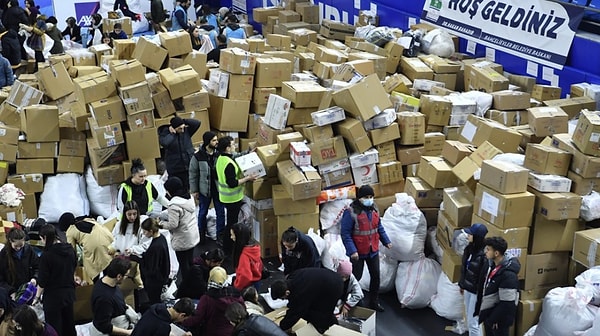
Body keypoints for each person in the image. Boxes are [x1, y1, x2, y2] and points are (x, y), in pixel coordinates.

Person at [340, 184, 392, 312]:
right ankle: (349, 301)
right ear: (359, 198)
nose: (369, 199)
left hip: (373, 250)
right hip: (358, 252)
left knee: (376, 277)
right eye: (366, 197)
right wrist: (352, 251)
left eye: (371, 197)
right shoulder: (351, 212)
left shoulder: (374, 209)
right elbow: (345, 234)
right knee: (355, 278)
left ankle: (374, 302)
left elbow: (378, 227)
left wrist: (386, 241)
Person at [215, 136, 257, 254]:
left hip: (225, 197)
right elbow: (232, 183)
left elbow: (236, 157)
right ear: (227, 148)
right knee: (232, 224)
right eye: (233, 145)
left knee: (231, 222)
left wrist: (248, 154)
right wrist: (248, 178)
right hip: (232, 198)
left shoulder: (221, 158)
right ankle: (228, 248)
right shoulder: (228, 164)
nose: (235, 147)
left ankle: (228, 246)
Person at [270, 268, 344, 334]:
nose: (283, 300)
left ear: (287, 292)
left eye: (283, 298)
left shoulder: (300, 292)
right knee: (313, 309)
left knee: (320, 313)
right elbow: (294, 302)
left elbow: (296, 312)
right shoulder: (291, 278)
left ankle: (326, 330)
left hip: (333, 286)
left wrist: (282, 327)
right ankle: (333, 324)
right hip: (328, 278)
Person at [36, 224, 77, 336]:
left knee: (55, 328)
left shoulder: (47, 255)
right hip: (69, 293)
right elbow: (74, 267)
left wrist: (37, 297)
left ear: (44, 237)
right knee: (69, 324)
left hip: (53, 297)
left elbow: (42, 280)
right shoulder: (69, 249)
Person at [159, 176, 200, 288]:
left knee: (183, 264)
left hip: (182, 238)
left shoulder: (174, 205)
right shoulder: (189, 198)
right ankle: (195, 281)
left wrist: (160, 224)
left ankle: (187, 285)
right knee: (190, 261)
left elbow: (173, 224)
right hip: (192, 235)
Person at [475, 237, 520, 336]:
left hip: (498, 320)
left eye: (488, 249)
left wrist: (492, 320)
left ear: (496, 253)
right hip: (489, 315)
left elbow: (507, 303)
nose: (485, 252)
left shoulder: (508, 275)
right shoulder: (491, 265)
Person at [181, 266, 244, 336]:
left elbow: (197, 318)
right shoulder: (237, 295)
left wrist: (181, 321)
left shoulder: (207, 298)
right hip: (233, 333)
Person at [189, 131, 225, 244]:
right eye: (214, 140)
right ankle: (201, 234)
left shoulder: (218, 154)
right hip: (204, 190)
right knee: (202, 212)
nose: (216, 142)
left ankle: (220, 235)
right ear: (207, 142)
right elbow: (193, 174)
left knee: (221, 212)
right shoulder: (198, 156)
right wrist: (194, 190)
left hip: (218, 188)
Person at [127, 218, 170, 306]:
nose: (143, 233)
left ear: (151, 231)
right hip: (161, 277)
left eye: (145, 231)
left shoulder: (155, 247)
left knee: (154, 300)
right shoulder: (161, 238)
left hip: (154, 281)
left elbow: (149, 266)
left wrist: (133, 257)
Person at [61, 213, 114, 283]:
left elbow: (71, 253)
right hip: (109, 239)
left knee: (90, 264)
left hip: (96, 246)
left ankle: (98, 283)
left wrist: (73, 273)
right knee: (108, 262)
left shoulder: (70, 231)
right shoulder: (87, 219)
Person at [90, 258, 137, 336]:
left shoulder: (105, 281)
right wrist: (128, 332)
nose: (126, 278)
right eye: (126, 275)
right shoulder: (104, 299)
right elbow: (104, 326)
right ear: (119, 276)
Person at [459, 223, 489, 336]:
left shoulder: (484, 256)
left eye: (470, 234)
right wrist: (462, 285)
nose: (468, 236)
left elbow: (483, 278)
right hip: (468, 288)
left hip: (476, 292)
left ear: (477, 237)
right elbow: (465, 269)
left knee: (473, 322)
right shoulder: (469, 249)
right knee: (470, 318)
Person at [158, 117, 200, 191]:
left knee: (189, 188)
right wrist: (172, 134)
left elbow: (197, 123)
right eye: (180, 128)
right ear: (174, 128)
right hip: (175, 168)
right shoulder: (165, 133)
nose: (182, 130)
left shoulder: (186, 131)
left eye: (183, 127)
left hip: (188, 166)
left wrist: (182, 121)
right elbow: (165, 143)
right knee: (176, 189)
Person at [0, 228, 39, 297]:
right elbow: (1, 279)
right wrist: (10, 291)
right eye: (16, 246)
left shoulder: (29, 250)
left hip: (28, 289)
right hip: (12, 292)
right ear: (10, 241)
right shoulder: (3, 255)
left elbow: (38, 267)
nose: (18, 248)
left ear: (24, 240)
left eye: (21, 245)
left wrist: (35, 278)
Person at [231, 223, 262, 291]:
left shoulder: (244, 255)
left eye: (232, 235)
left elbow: (245, 276)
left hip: (247, 287)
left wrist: (236, 287)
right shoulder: (253, 249)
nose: (231, 237)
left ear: (238, 236)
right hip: (256, 282)